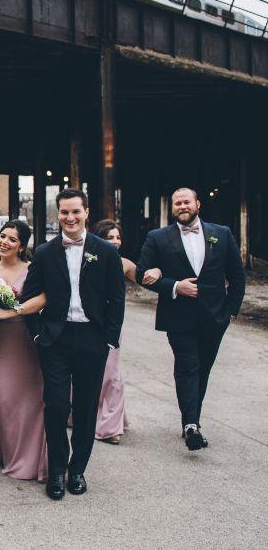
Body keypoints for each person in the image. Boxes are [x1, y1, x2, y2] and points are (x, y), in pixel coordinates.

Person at [21, 189, 125, 500]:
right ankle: (56, 471)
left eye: (75, 212)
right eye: (64, 212)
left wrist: (109, 339)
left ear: (86, 213)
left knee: (85, 406)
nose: (70, 218)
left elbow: (117, 298)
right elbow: (28, 297)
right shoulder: (44, 252)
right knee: (55, 405)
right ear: (58, 214)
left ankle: (77, 469)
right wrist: (38, 334)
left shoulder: (106, 251)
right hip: (55, 338)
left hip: (92, 338)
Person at [135, 187, 245, 452]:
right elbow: (141, 274)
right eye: (177, 203)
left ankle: (190, 420)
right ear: (172, 208)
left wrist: (230, 312)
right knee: (188, 365)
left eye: (186, 202)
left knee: (202, 368)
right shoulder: (158, 237)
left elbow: (237, 277)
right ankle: (192, 426)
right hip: (178, 316)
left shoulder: (222, 233)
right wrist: (174, 286)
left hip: (215, 317)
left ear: (197, 204)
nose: (181, 206)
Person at [0, 220, 48, 481]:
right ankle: (5, 447)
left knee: (30, 397)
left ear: (21, 246)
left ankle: (28, 457)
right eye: (2, 236)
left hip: (27, 338)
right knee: (4, 395)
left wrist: (12, 311)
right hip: (1, 342)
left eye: (12, 239)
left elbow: (42, 298)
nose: (4, 242)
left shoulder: (32, 270)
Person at [90, 219, 141, 445]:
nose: (115, 241)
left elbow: (148, 280)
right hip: (87, 322)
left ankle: (110, 427)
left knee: (111, 374)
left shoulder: (125, 264)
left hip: (112, 324)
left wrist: (162, 275)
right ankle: (81, 415)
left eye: (117, 237)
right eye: (110, 237)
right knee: (85, 371)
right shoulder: (87, 259)